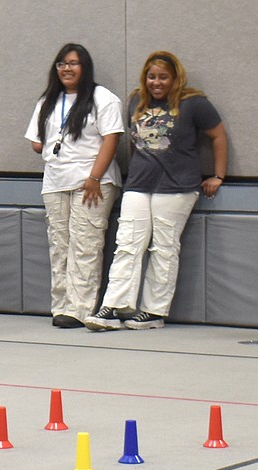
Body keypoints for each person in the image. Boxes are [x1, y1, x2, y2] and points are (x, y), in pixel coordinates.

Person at [84, 51, 227, 331]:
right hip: (139, 183)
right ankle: (113, 306)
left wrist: (218, 175)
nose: (156, 82)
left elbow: (218, 136)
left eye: (163, 77)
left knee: (163, 248)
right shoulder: (136, 100)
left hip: (176, 187)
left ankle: (153, 311)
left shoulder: (194, 103)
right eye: (152, 76)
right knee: (127, 244)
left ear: (175, 78)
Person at [25, 43, 124, 329]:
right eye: (61, 63)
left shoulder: (102, 97)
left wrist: (94, 177)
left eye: (73, 63)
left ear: (85, 67)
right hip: (56, 181)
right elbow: (36, 142)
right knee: (60, 245)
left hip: (92, 181)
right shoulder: (48, 100)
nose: (67, 69)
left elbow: (112, 139)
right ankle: (61, 306)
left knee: (85, 243)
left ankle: (79, 309)